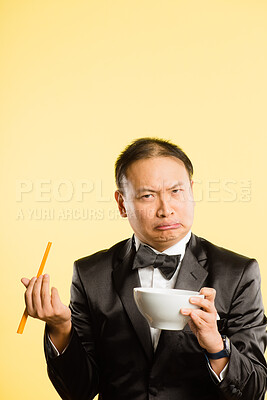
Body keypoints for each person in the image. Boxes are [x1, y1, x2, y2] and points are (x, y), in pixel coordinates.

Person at [22, 137, 267, 400]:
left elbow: (254, 391)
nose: (166, 210)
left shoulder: (238, 273)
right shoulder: (90, 274)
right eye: (148, 195)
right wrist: (61, 328)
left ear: (192, 191)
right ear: (121, 203)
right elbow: (78, 391)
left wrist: (217, 347)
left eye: (176, 191)